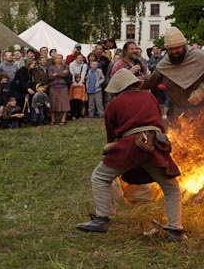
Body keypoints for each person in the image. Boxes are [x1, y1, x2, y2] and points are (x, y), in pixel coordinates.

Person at [75, 68, 186, 240]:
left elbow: (111, 135)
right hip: (154, 145)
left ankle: (102, 219)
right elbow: (159, 122)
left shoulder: (114, 104)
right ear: (135, 83)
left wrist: (112, 149)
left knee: (100, 177)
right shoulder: (150, 97)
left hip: (128, 147)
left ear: (119, 88)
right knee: (171, 188)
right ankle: (175, 229)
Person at [140, 27, 204, 123]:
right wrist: (132, 81)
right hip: (177, 113)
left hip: (202, 111)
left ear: (184, 45)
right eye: (170, 49)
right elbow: (151, 81)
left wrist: (203, 90)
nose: (174, 51)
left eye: (177, 47)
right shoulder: (164, 64)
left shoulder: (199, 56)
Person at [47, 53, 71, 125]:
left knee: (64, 102)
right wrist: (61, 73)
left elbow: (66, 74)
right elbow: (50, 77)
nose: (59, 59)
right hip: (53, 86)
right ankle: (53, 119)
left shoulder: (65, 66)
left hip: (63, 86)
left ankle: (63, 119)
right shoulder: (51, 67)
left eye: (61, 58)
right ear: (55, 60)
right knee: (53, 102)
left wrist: (56, 74)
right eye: (58, 58)